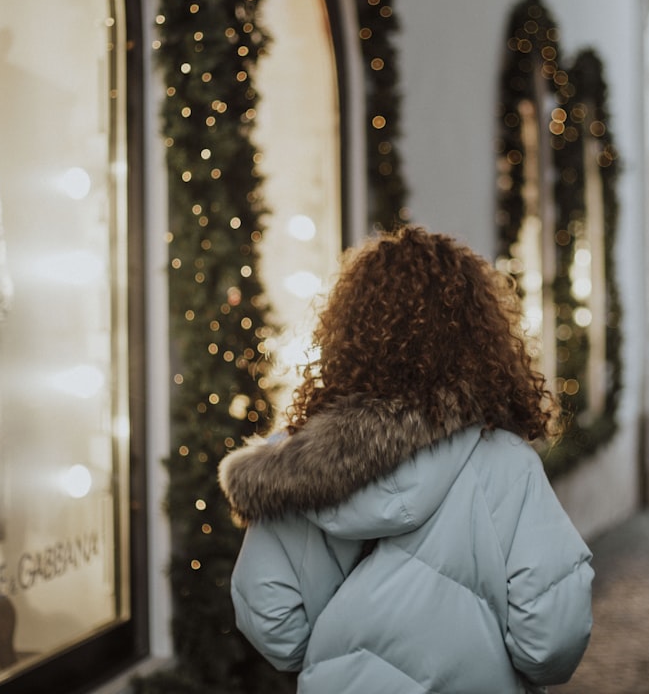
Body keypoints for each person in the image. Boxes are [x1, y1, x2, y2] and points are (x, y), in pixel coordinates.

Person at [218, 226, 593, 693]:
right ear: (479, 337)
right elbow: (552, 639)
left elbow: (270, 619)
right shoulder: (505, 465)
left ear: (346, 334)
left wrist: (345, 649)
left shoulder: (292, 473)